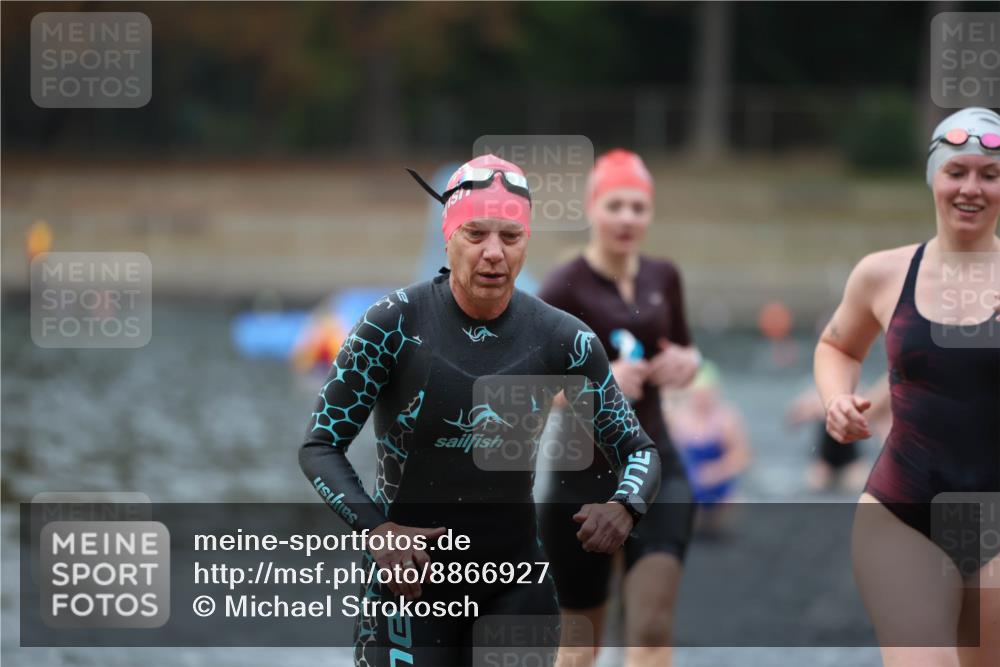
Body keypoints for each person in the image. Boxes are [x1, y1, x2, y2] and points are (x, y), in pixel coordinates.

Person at [299, 154, 663, 667]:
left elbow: (638, 451)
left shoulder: (563, 339)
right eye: (476, 234)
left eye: (510, 237)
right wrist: (376, 530)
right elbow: (320, 446)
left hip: (515, 587)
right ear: (448, 237)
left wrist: (625, 507)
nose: (493, 253)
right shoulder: (392, 325)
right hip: (411, 584)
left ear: (526, 243)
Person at [814, 107, 1000, 667]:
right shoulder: (884, 273)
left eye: (989, 175)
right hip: (902, 510)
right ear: (933, 178)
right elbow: (838, 347)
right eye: (956, 171)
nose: (971, 188)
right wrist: (836, 399)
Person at [536, 149, 699, 667]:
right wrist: (595, 384)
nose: (627, 218)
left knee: (651, 626)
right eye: (615, 205)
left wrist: (687, 364)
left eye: (638, 207)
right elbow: (529, 391)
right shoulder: (563, 286)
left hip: (655, 467)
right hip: (580, 478)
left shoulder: (664, 277)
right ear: (592, 208)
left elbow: (684, 350)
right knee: (581, 647)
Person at [667, 361, 751, 532]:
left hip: (719, 487)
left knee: (724, 524)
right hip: (690, 485)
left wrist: (715, 472)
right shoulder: (678, 418)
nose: (702, 398)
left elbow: (743, 457)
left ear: (715, 392)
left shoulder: (726, 419)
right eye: (698, 394)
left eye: (706, 393)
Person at [785, 374, 890, 492]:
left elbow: (876, 420)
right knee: (815, 488)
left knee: (860, 488)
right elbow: (791, 421)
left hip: (852, 458)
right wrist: (809, 412)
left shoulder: (860, 393)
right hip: (824, 458)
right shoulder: (814, 396)